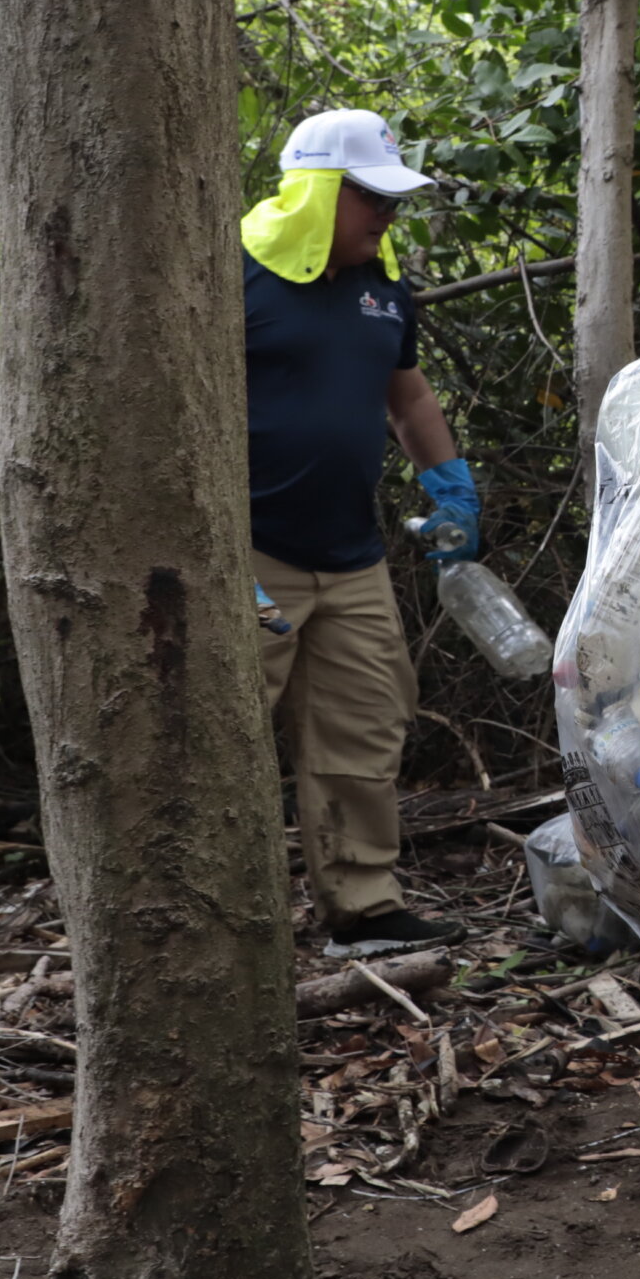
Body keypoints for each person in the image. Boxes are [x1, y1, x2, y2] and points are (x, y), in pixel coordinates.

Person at [240, 108, 475, 958]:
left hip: (351, 558)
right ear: (317, 193)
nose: (386, 215)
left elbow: (405, 395)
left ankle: (363, 906)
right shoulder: (235, 273)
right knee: (223, 733)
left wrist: (447, 482)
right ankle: (222, 923)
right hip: (250, 557)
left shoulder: (383, 288)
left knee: (367, 721)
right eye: (370, 198)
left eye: (393, 199)